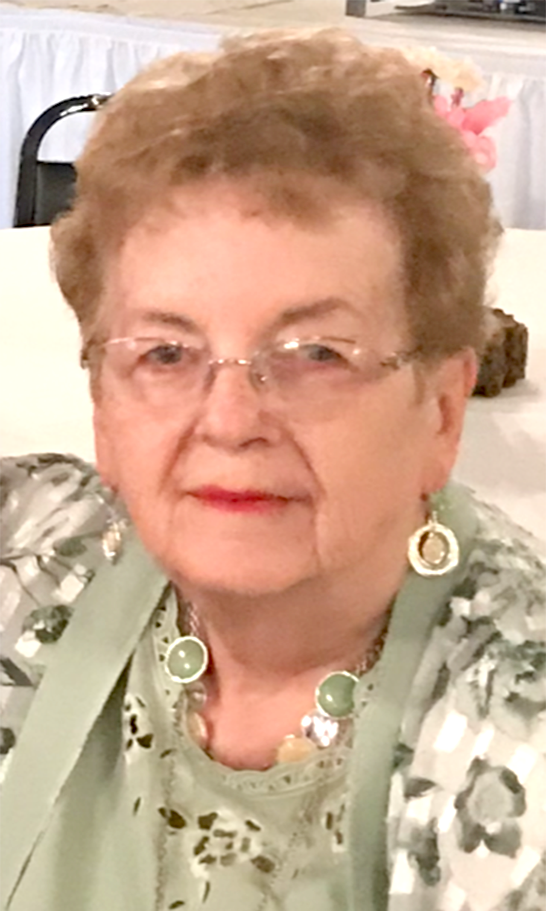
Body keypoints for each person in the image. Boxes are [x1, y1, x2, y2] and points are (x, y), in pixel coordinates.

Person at [1, 29, 545, 911]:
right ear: (101, 401)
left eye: (316, 353)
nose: (229, 420)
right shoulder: (34, 554)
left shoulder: (516, 737)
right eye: (166, 351)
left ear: (443, 410)